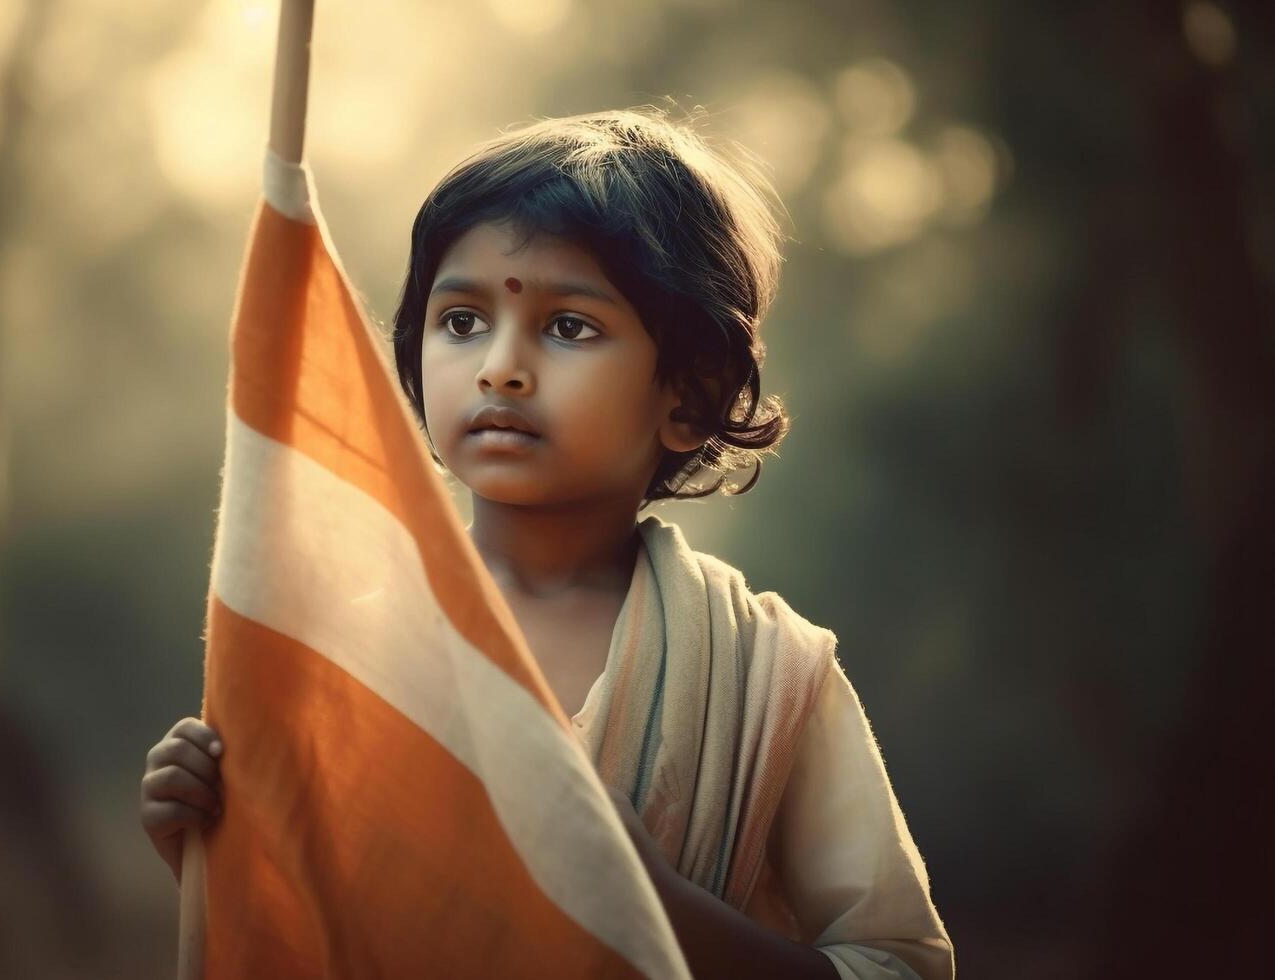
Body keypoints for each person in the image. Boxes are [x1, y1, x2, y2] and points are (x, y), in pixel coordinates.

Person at [142, 107, 954, 980]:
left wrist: (647, 898)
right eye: (461, 321)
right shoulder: (344, 650)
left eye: (569, 326)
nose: (499, 365)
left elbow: (898, 966)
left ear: (688, 393)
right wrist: (214, 839)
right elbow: (310, 926)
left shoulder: (769, 675)